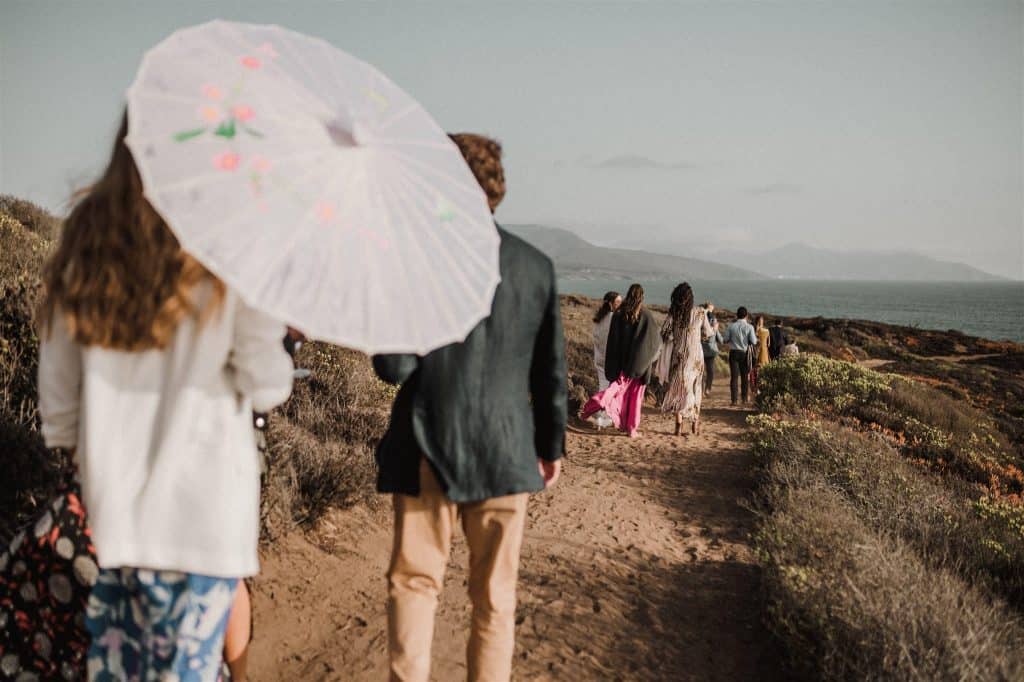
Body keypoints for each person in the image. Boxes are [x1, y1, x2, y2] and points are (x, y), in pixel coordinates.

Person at [36, 113, 294, 681]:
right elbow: (270, 384)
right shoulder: (227, 248)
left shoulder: (85, 243)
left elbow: (57, 415)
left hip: (113, 524)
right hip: (204, 524)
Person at [372, 133, 567, 682]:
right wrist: (550, 448)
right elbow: (550, 373)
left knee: (415, 584)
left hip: (428, 443)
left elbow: (393, 367)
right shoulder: (536, 267)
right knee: (495, 600)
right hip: (508, 452)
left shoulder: (419, 259)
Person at [580, 283, 661, 438]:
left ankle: (601, 399)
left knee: (617, 391)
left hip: (621, 365)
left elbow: (613, 341)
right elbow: (654, 342)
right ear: (641, 297)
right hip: (639, 365)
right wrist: (644, 360)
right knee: (635, 398)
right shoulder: (646, 316)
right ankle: (631, 428)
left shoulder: (618, 314)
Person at [660, 283, 713, 436]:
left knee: (678, 388)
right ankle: (695, 423)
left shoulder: (674, 314)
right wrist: (696, 337)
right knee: (696, 388)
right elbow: (708, 333)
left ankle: (679, 425)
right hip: (696, 356)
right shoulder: (700, 312)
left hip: (679, 356)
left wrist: (675, 337)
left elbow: (663, 333)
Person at [591, 291, 621, 428]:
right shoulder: (614, 318)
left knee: (602, 387)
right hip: (611, 359)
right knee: (611, 390)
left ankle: (600, 417)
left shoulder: (598, 319)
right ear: (610, 303)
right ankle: (606, 418)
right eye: (617, 302)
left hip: (599, 357)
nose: (620, 305)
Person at [722, 306, 758, 405]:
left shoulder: (731, 326)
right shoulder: (750, 327)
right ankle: (744, 399)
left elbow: (725, 340)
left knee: (734, 377)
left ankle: (734, 400)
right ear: (746, 316)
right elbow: (754, 341)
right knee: (744, 377)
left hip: (733, 353)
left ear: (736, 315)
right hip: (744, 353)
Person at [701, 313, 724, 396]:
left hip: (701, 351)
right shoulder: (714, 329)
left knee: (701, 372)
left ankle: (701, 389)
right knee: (710, 372)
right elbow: (721, 340)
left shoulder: (701, 328)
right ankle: (707, 389)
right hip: (711, 352)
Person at [752, 315, 770, 394]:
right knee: (763, 369)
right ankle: (761, 387)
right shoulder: (767, 330)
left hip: (756, 351)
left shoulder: (754, 330)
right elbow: (769, 344)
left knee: (756, 370)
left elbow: (753, 341)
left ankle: (756, 387)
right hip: (764, 351)